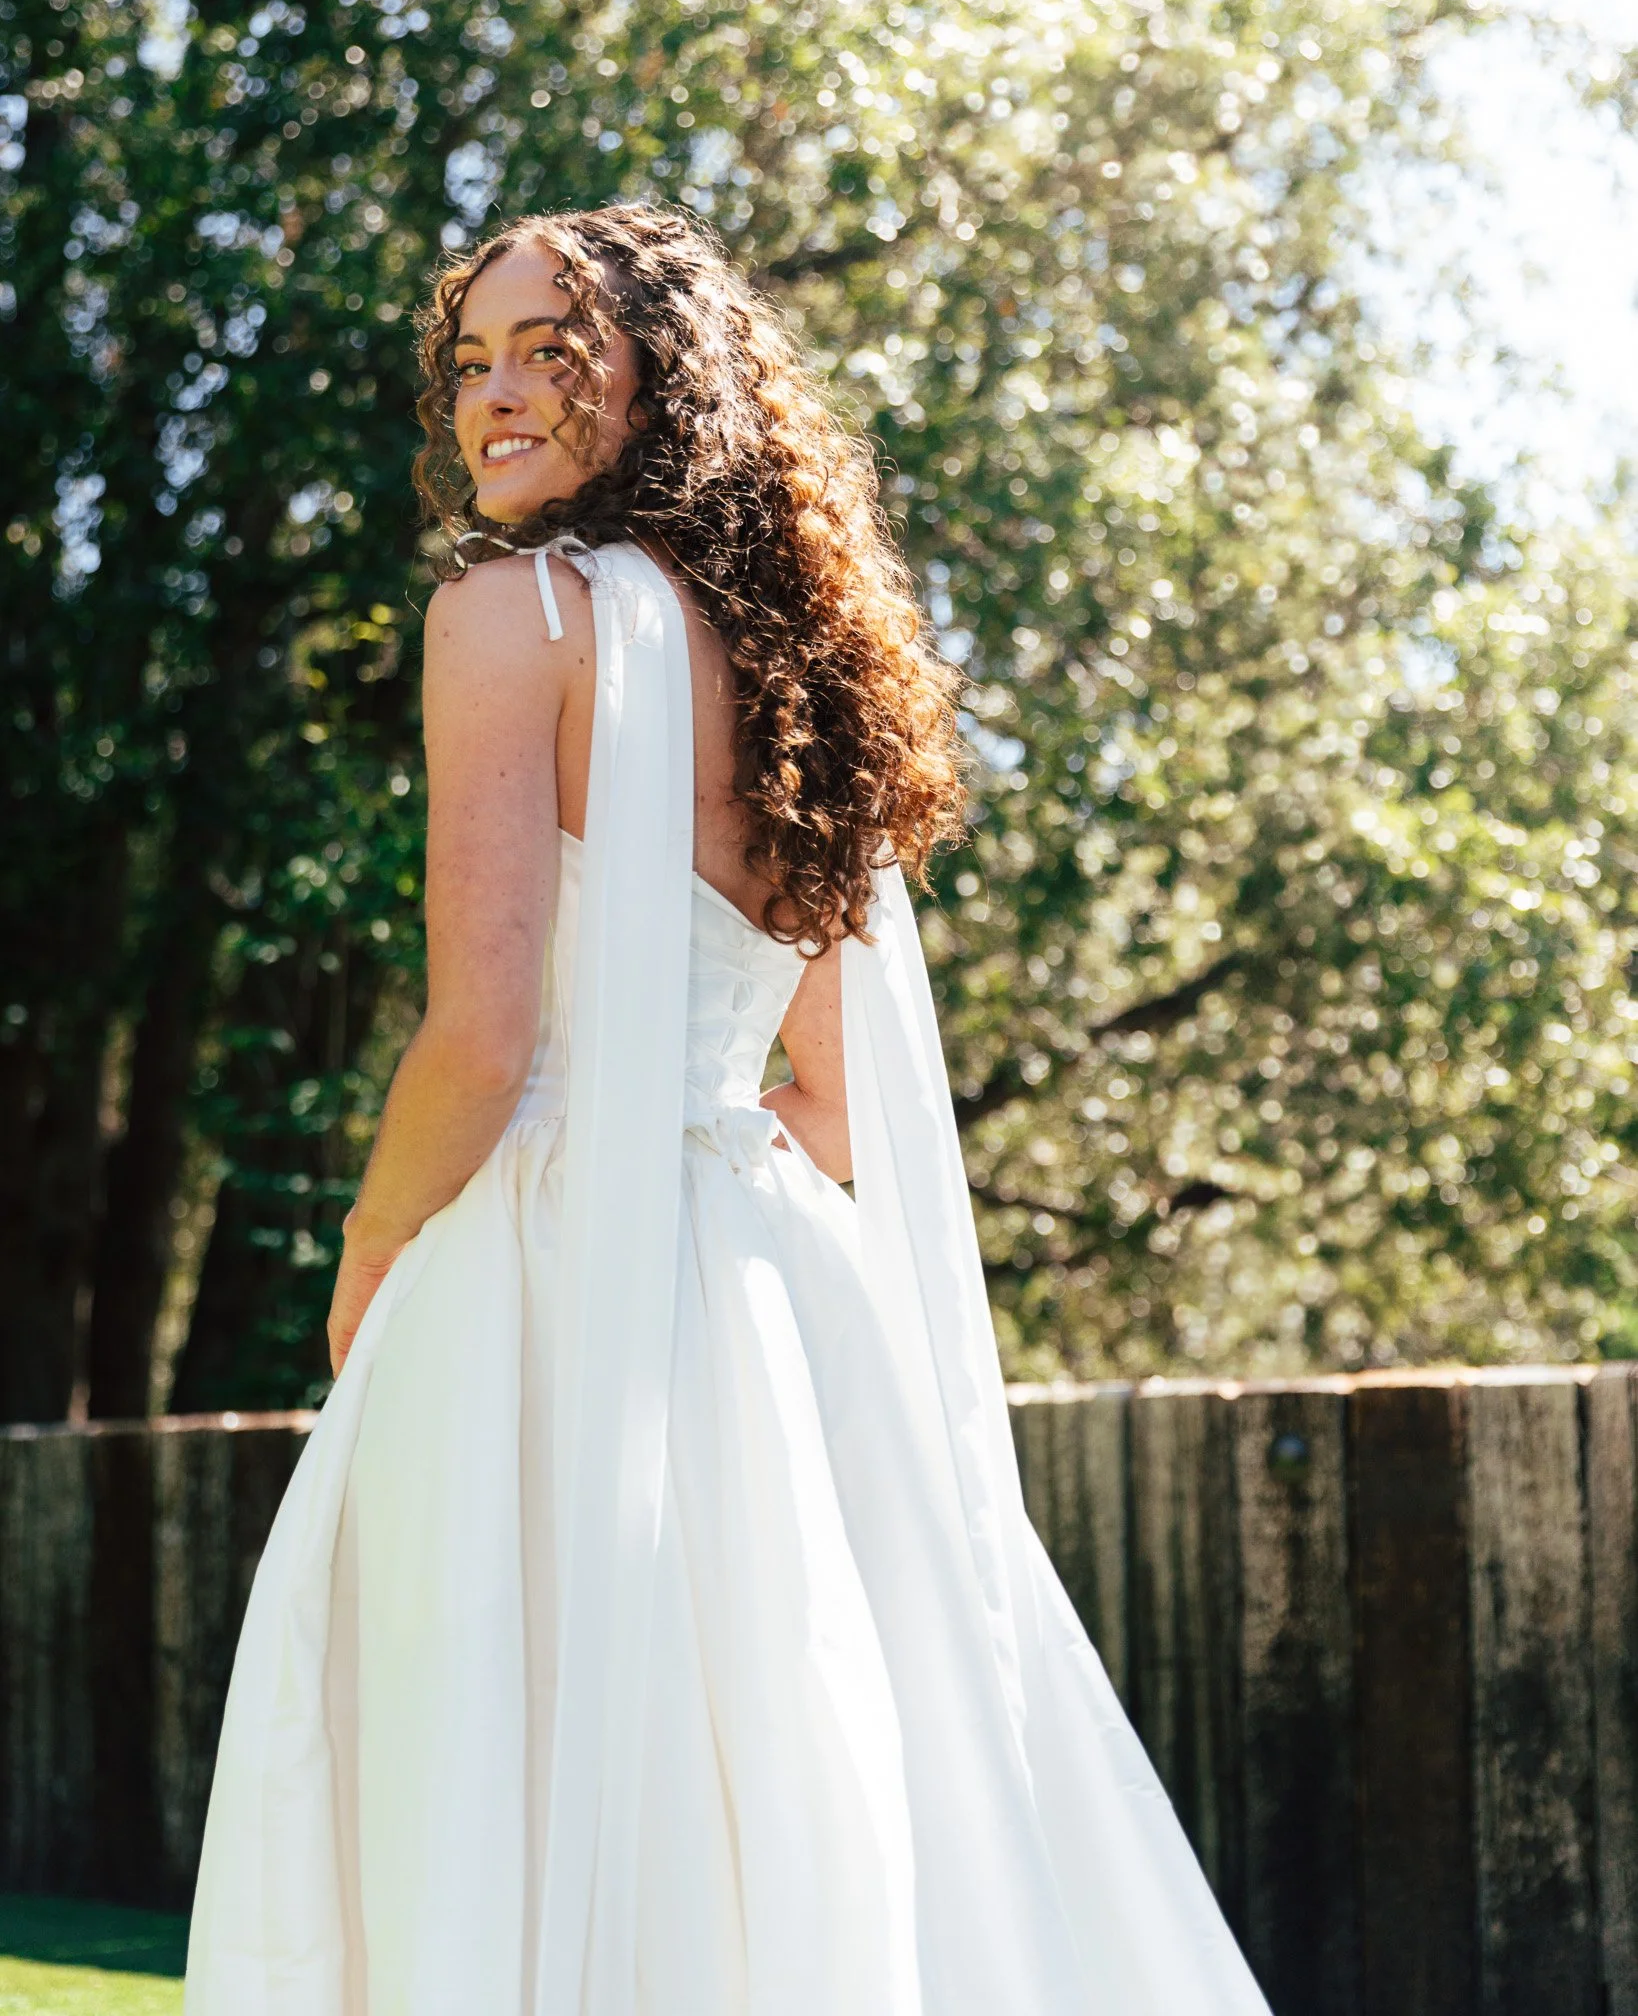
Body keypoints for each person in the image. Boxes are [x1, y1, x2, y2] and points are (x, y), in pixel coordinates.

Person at [184, 202, 1272, 2015]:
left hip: (536, 1267)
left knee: (491, 1759)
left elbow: (483, 1029)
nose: (496, 397)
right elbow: (837, 1102)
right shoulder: (793, 667)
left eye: (554, 351)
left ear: (657, 386)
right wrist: (713, 1154)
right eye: (472, 361)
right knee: (791, 1756)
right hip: (769, 1290)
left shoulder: (503, 611)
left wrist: (374, 1247)